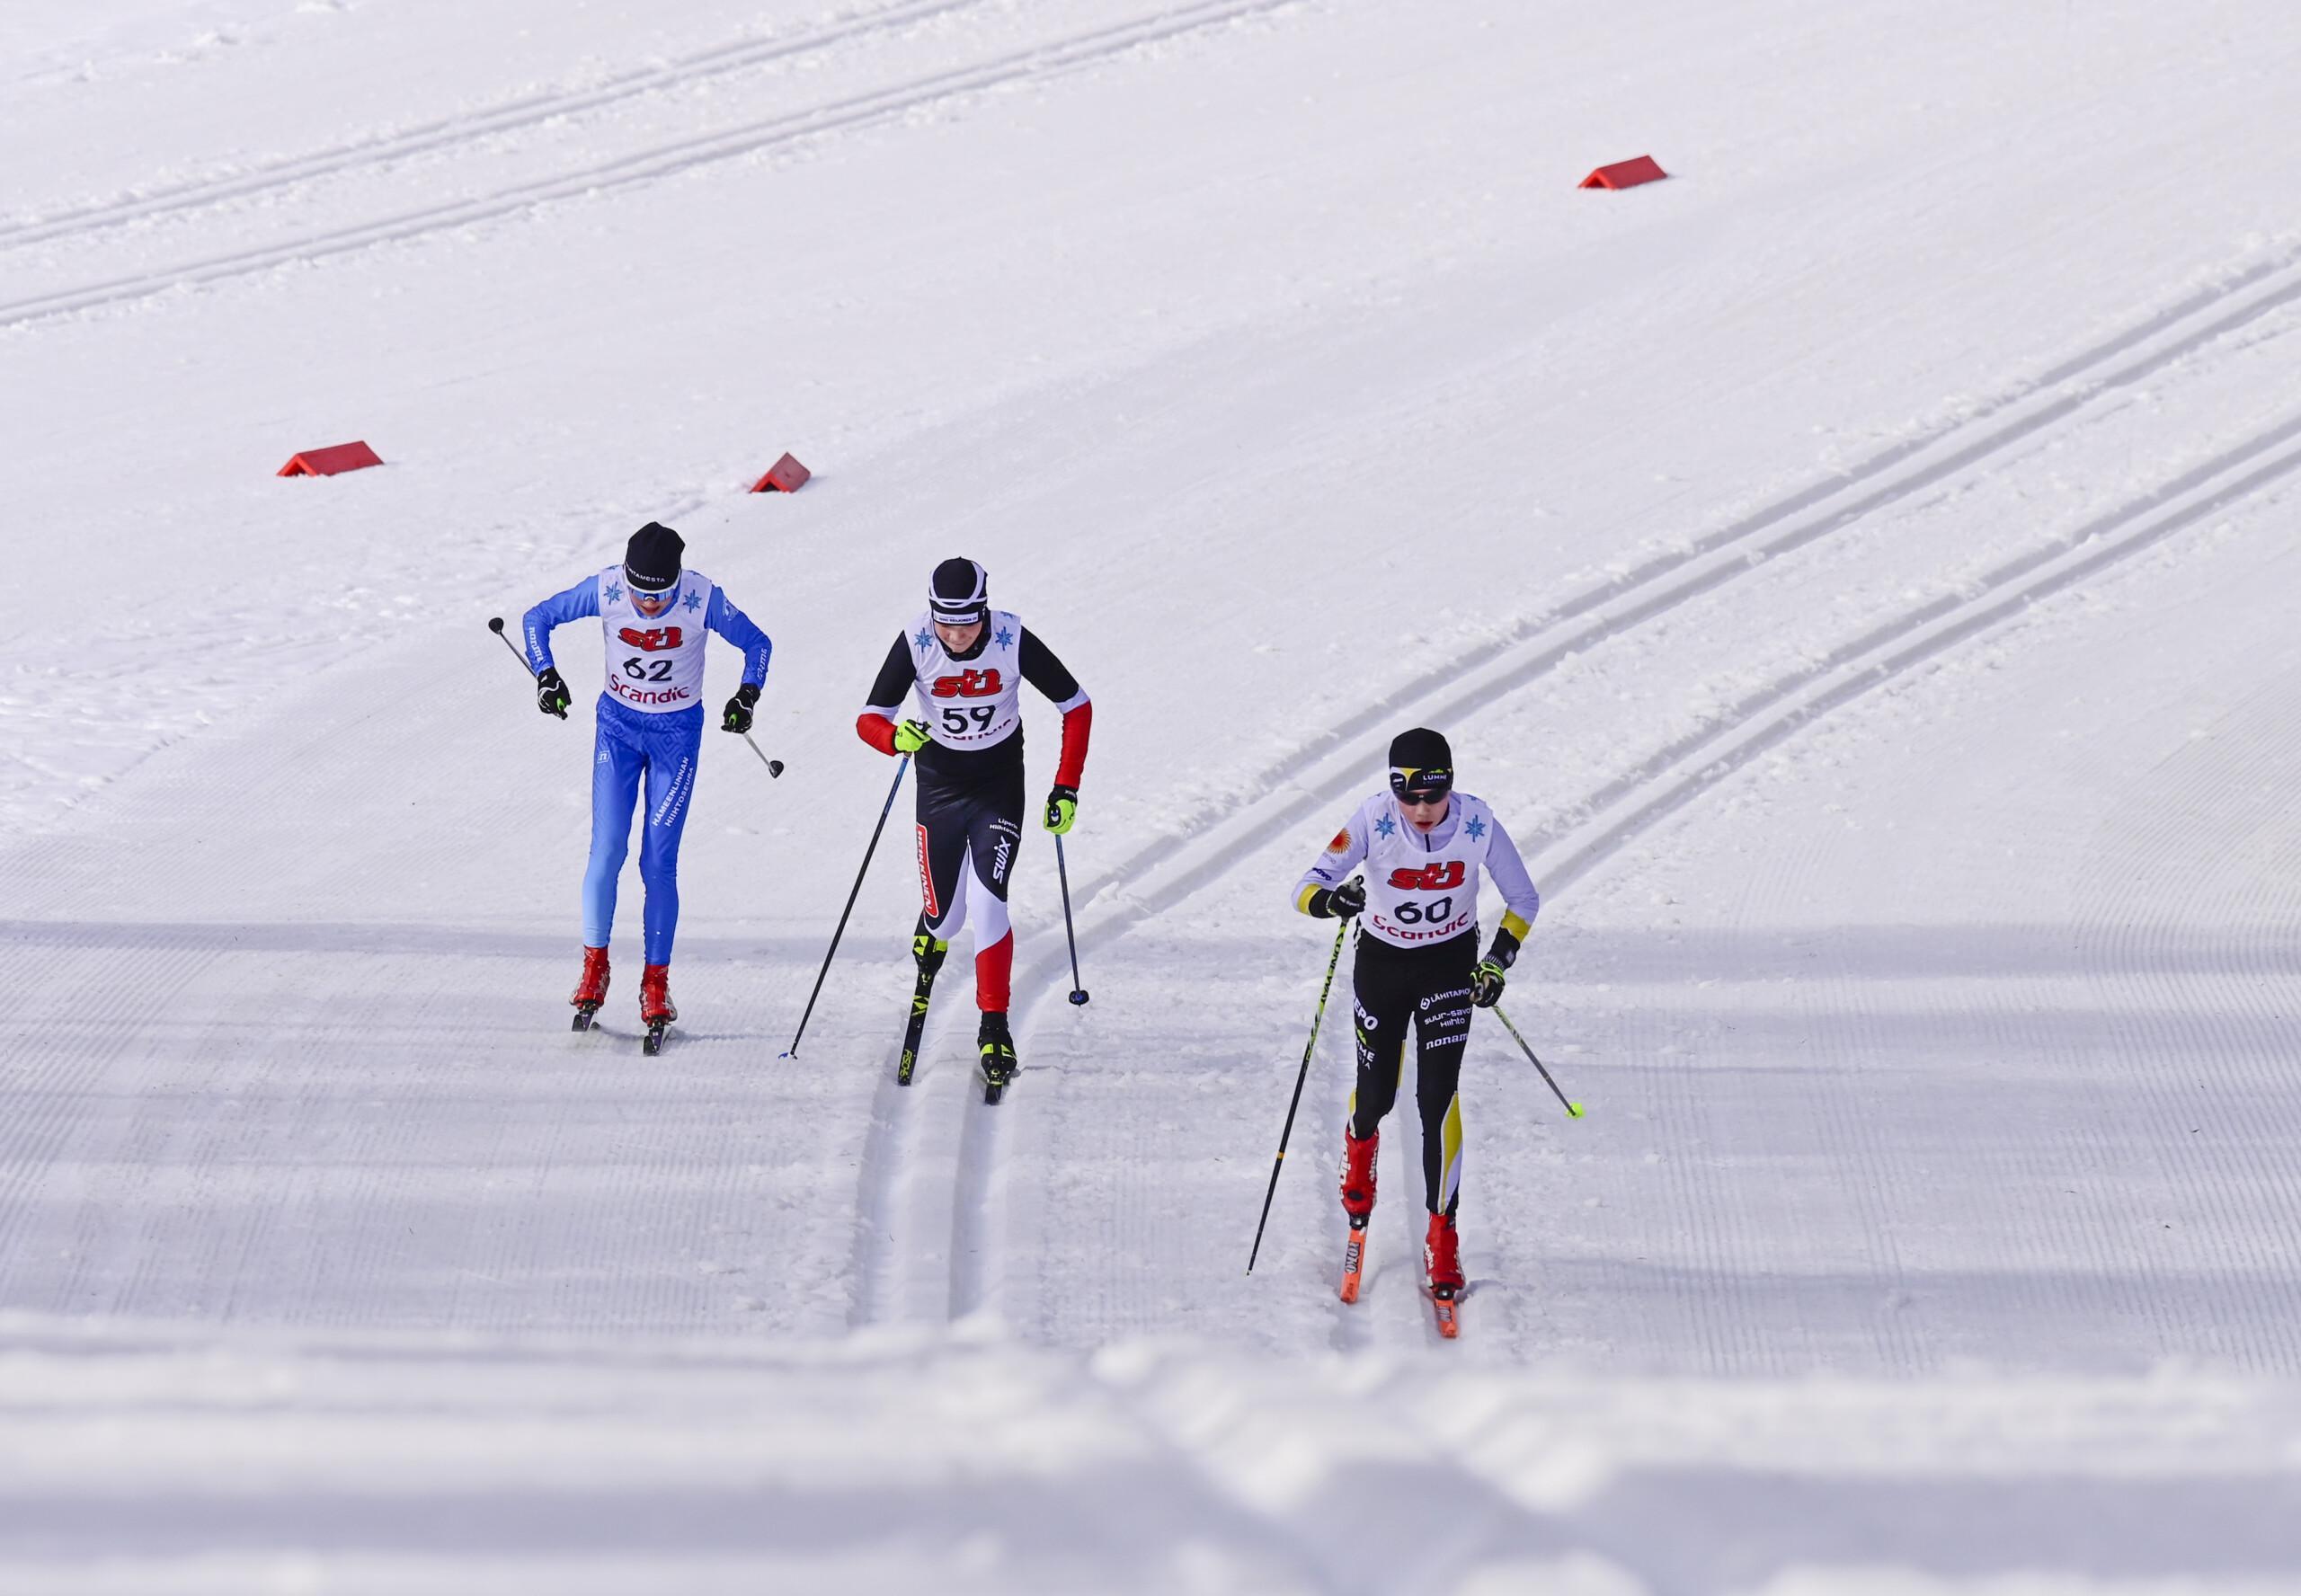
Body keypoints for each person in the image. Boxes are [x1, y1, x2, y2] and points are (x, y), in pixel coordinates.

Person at [1292, 727, 1540, 1301]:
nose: (1422, 810)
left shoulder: (1477, 824)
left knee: (1438, 1098)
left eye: (1433, 795)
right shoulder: (1373, 820)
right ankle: (1358, 1161)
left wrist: (1497, 962)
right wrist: (1334, 901)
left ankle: (1442, 1233)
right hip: (1382, 965)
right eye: (1409, 796)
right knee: (1375, 1094)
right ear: (1393, 791)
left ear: (1450, 785)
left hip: (1449, 967)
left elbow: (1523, 899)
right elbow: (1307, 887)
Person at [521, 521, 773, 1033]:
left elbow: (759, 644)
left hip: (676, 737)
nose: (649, 605)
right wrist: (546, 674)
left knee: (658, 860)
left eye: (659, 595)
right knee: (607, 847)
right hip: (617, 728)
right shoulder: (608, 588)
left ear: (677, 581)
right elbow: (536, 619)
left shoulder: (703, 597)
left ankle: (655, 981)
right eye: (640, 594)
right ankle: (594, 968)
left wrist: (746, 696)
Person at [857, 557, 1091, 1088]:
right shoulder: (916, 640)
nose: (956, 635)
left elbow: (1077, 707)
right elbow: (869, 717)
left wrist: (1066, 786)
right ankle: (931, 931)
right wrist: (894, 738)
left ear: (984, 613)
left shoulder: (1010, 637)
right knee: (948, 920)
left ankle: (993, 1026)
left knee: (990, 903)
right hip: (938, 786)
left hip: (998, 787)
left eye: (966, 623)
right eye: (946, 623)